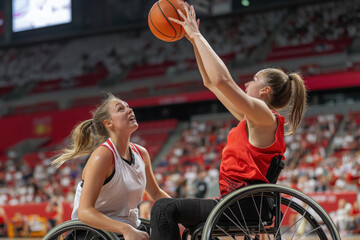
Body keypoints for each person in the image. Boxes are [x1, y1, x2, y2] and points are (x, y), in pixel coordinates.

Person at [149, 3, 307, 240]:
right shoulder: (254, 118)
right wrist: (193, 43)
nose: (246, 84)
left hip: (240, 204)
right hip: (237, 201)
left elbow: (223, 81)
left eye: (253, 79)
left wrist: (197, 34)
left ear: (264, 90)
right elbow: (211, 83)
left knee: (163, 207)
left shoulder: (263, 115)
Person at [52, 93, 170, 240]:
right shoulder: (102, 156)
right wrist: (125, 229)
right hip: (95, 233)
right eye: (121, 109)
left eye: (128, 107)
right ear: (108, 123)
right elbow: (84, 212)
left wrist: (182, 211)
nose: (129, 110)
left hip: (128, 228)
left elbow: (157, 193)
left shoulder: (141, 153)